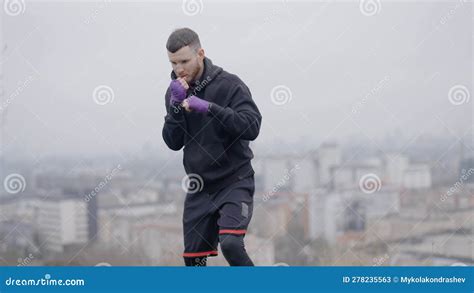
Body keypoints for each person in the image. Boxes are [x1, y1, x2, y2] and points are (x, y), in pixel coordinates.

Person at [162, 28, 262, 266]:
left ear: (201, 54)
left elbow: (252, 126)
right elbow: (173, 142)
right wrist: (175, 108)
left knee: (231, 244)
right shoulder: (174, 92)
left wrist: (210, 109)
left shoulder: (229, 85)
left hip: (235, 180)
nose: (179, 69)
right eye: (173, 63)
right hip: (199, 187)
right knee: (194, 262)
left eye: (184, 61)